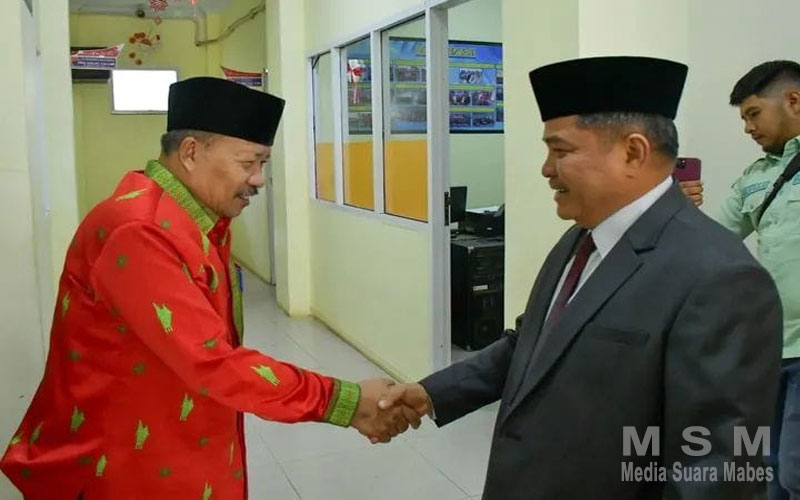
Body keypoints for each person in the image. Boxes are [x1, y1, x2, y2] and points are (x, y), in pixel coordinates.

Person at [381, 56, 783, 499]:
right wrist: (432, 393)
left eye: (561, 151)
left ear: (632, 152)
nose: (546, 168)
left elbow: (719, 471)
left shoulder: (721, 278)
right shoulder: (581, 238)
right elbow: (531, 344)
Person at [0, 77, 413, 499]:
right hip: (123, 461)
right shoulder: (140, 231)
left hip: (178, 432)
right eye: (248, 163)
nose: (259, 180)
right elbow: (213, 362)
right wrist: (344, 401)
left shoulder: (196, 219)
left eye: (264, 164)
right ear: (191, 153)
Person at [684, 60, 800, 500]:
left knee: (794, 470)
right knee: (765, 468)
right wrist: (680, 210)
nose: (748, 128)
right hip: (769, 347)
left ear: (793, 100)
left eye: (754, 114)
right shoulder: (756, 178)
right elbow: (712, 242)